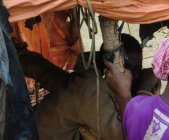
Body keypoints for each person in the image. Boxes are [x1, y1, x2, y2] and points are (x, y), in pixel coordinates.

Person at [18, 34, 160, 140]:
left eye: (137, 69)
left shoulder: (90, 79)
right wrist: (144, 89)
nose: (132, 75)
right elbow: (131, 134)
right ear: (107, 65)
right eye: (125, 67)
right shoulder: (92, 89)